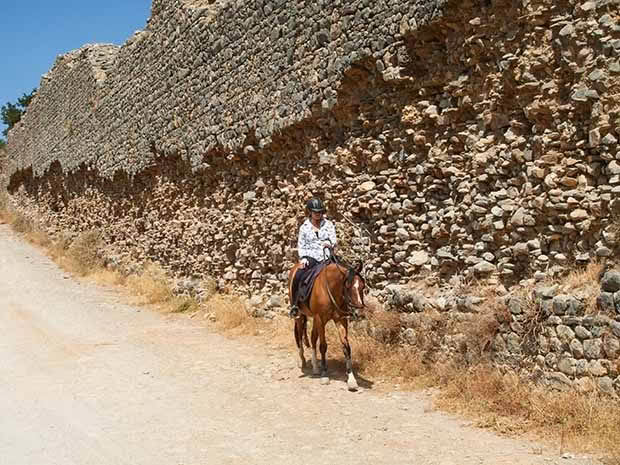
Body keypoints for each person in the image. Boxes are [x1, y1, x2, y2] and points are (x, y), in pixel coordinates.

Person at [289, 197, 338, 318]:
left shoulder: (329, 224)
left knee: (344, 273)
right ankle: (295, 305)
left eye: (320, 211)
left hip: (326, 256)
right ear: (310, 212)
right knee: (299, 275)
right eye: (316, 212)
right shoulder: (304, 227)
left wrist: (330, 244)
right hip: (311, 257)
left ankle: (346, 305)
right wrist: (303, 257)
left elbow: (334, 240)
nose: (318, 214)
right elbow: (301, 244)